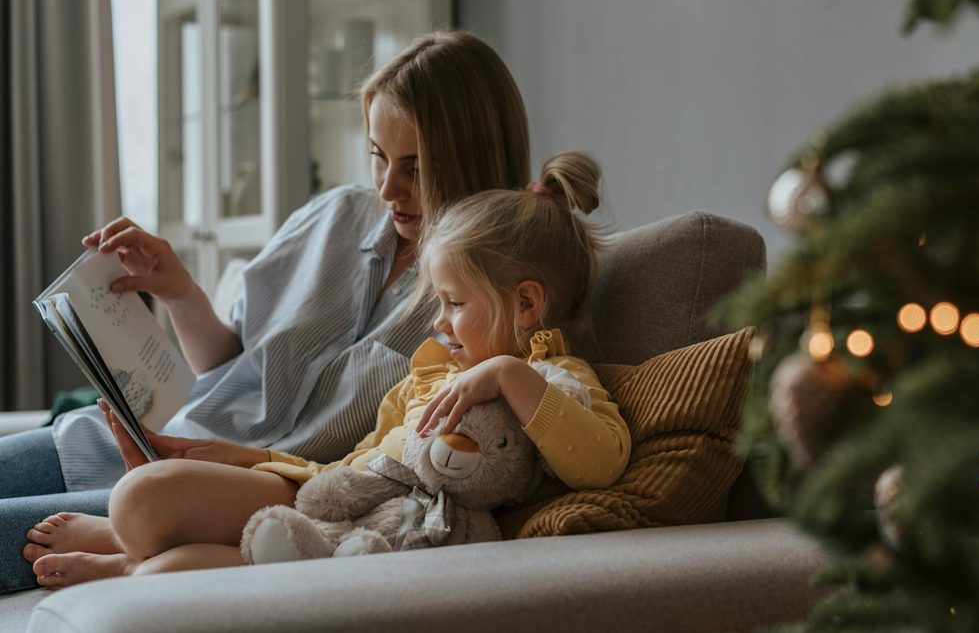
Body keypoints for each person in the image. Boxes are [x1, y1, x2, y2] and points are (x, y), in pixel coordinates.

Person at [1, 30, 532, 594]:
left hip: (214, 492)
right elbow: (233, 362)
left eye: (416, 169)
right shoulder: (335, 216)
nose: (388, 189)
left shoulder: (483, 300)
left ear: (474, 162)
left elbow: (406, 464)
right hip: (142, 434)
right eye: (378, 156)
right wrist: (180, 292)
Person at [31, 153, 630, 585]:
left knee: (160, 573)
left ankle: (128, 557)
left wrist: (509, 374)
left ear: (526, 304)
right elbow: (352, 466)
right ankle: (129, 537)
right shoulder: (426, 376)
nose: (440, 323)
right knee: (139, 497)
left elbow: (601, 461)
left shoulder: (557, 380)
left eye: (453, 304)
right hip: (331, 504)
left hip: (380, 539)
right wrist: (252, 459)